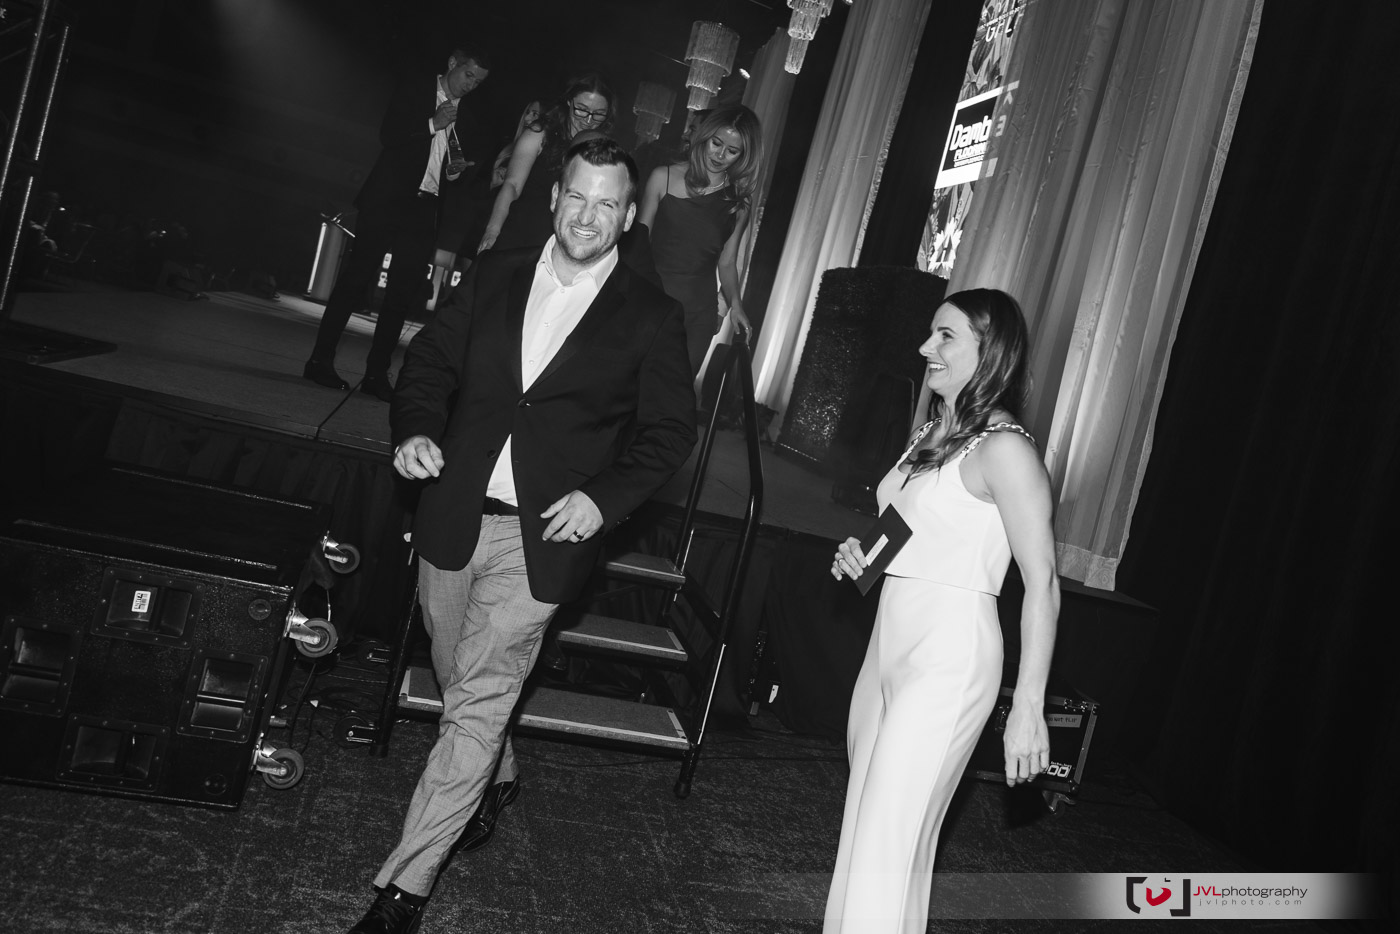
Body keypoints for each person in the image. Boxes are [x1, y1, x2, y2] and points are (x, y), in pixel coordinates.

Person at [346, 137, 696, 934]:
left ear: (629, 217)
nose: (588, 215)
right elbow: (430, 364)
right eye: (577, 196)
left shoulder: (651, 315)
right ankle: (496, 773)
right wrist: (416, 429)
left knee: (476, 702)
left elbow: (670, 432)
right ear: (553, 197)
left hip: (544, 537)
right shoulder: (496, 272)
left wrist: (603, 500)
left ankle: (401, 895)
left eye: (608, 203)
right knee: (456, 675)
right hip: (453, 513)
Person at [824, 289, 1060, 933]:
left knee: (888, 840)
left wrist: (1028, 706)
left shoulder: (1005, 450)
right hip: (888, 643)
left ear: (991, 352)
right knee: (866, 831)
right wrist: (860, 558)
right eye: (931, 332)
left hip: (949, 656)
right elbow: (910, 534)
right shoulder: (931, 432)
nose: (926, 347)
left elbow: (1042, 582)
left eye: (946, 336)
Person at [304, 46, 491, 401]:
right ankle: (319, 360)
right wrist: (432, 124)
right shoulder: (415, 89)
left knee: (401, 294)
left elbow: (449, 164)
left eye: (478, 82)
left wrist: (455, 172)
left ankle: (376, 374)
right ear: (452, 63)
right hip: (387, 201)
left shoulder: (467, 115)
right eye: (469, 75)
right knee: (355, 280)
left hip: (425, 207)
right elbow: (389, 136)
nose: (471, 85)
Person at [637, 105, 762, 375]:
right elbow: (638, 244)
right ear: (704, 136)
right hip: (649, 302)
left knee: (672, 394)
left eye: (732, 150)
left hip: (696, 316)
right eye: (716, 143)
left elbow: (727, 263)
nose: (720, 155)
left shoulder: (738, 203)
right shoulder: (663, 177)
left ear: (743, 156)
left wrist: (735, 305)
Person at [477, 73, 616, 254]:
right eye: (581, 110)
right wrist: (493, 230)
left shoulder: (603, 147)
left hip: (564, 239)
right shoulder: (540, 133)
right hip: (522, 228)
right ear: (569, 102)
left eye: (598, 114)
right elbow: (512, 185)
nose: (588, 120)